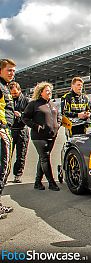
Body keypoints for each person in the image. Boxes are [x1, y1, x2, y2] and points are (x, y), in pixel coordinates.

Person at [22, 82, 61, 191]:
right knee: (45, 158)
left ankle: (37, 182)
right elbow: (24, 118)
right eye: (47, 91)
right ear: (41, 92)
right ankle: (51, 182)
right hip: (39, 137)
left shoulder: (53, 104)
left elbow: (58, 116)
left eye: (50, 90)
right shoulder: (33, 104)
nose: (50, 92)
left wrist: (58, 125)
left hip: (52, 136)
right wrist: (36, 127)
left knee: (42, 158)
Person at [0, 58, 16, 218]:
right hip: (2, 131)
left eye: (13, 71)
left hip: (6, 129)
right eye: (9, 70)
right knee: (3, 168)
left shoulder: (4, 86)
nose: (12, 73)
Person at [9, 81, 30, 183]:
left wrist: (21, 115)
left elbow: (30, 116)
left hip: (22, 130)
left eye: (15, 93)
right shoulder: (7, 99)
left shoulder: (26, 100)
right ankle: (4, 174)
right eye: (12, 93)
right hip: (10, 130)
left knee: (21, 154)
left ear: (20, 91)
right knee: (6, 154)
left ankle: (18, 175)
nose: (13, 95)